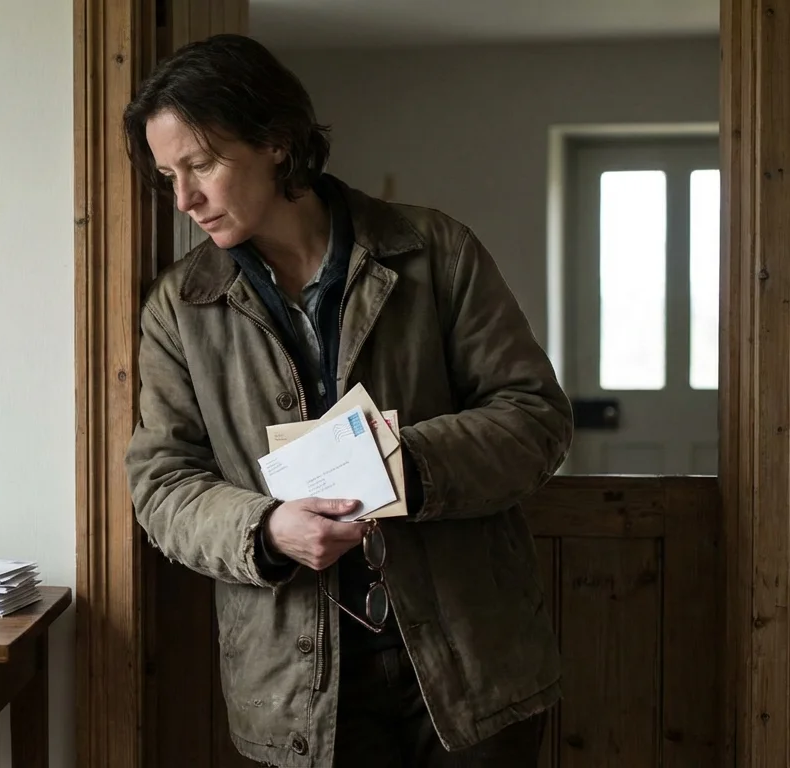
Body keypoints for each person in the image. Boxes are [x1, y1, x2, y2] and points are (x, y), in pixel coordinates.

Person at [121, 34, 573, 768]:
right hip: (295, 683)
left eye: (201, 164)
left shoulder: (436, 252)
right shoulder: (180, 307)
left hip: (473, 660)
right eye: (169, 174)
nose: (184, 199)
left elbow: (534, 416)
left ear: (275, 141)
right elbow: (161, 481)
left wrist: (397, 466)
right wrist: (266, 528)